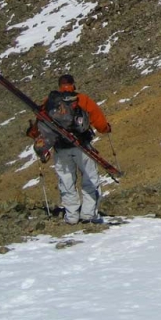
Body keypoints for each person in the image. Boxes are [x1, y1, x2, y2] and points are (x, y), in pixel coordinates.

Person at [39, 74, 112, 225]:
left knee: (66, 181)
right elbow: (99, 121)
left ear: (59, 85)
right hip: (82, 147)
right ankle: (88, 214)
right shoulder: (82, 99)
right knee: (89, 179)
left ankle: (71, 216)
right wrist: (105, 128)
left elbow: (40, 122)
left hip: (60, 148)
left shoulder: (50, 102)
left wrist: (37, 140)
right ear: (73, 84)